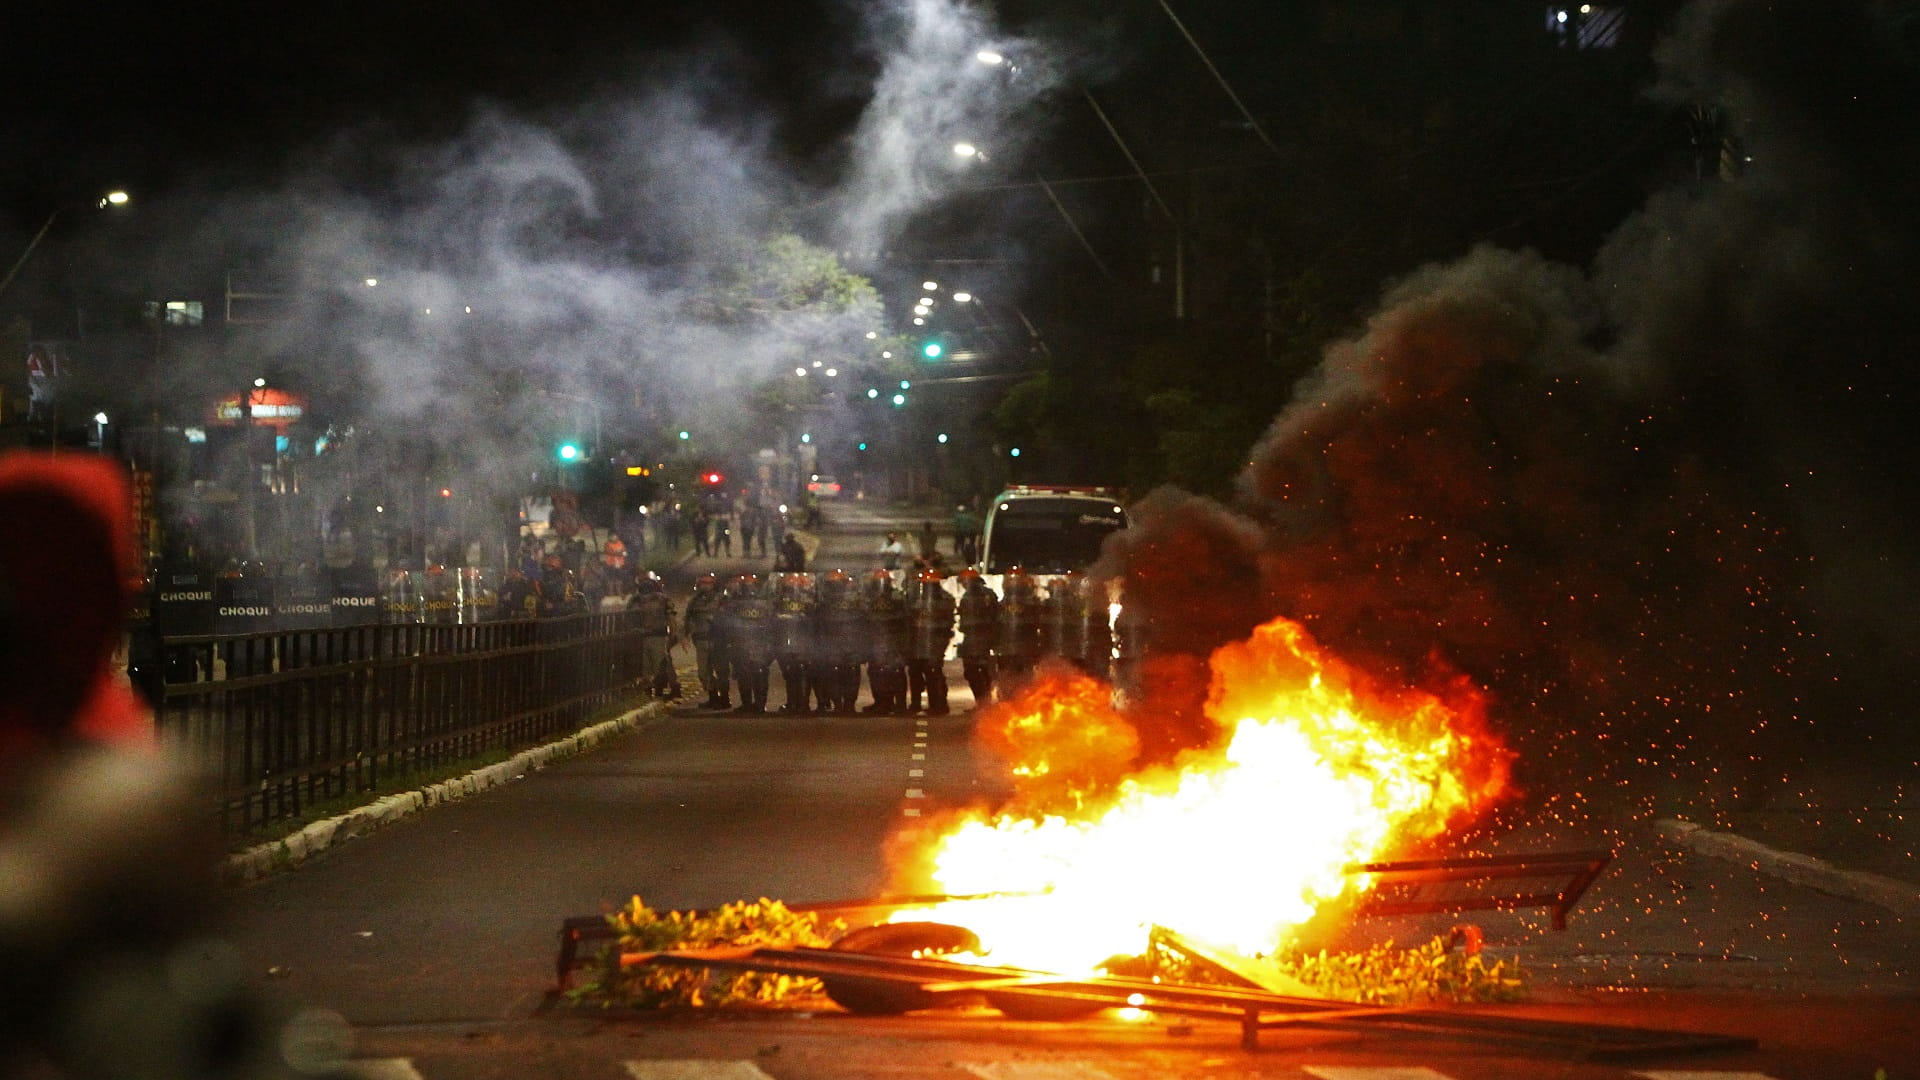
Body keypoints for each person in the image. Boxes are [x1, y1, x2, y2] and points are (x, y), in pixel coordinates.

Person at [905, 569, 955, 715]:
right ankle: (916, 703)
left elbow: (947, 623)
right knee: (915, 671)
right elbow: (909, 619)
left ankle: (938, 704)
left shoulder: (945, 599)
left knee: (933, 672)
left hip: (936, 640)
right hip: (918, 640)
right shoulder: (915, 599)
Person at [863, 570, 908, 715]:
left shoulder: (874, 598)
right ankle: (885, 703)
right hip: (883, 638)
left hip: (889, 638)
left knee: (889, 671)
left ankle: (892, 703)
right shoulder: (895, 596)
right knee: (880, 671)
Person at [771, 572, 815, 713]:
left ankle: (796, 703)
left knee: (793, 671)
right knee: (800, 671)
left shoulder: (781, 600)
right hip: (803, 639)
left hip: (791, 639)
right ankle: (801, 704)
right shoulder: (809, 598)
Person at [955, 569, 999, 708]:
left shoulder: (970, 597)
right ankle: (985, 702)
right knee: (984, 671)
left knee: (972, 671)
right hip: (987, 637)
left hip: (975, 638)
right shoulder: (989, 594)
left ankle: (982, 702)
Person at [629, 572, 676, 697]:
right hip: (640, 637)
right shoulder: (634, 599)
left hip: (658, 636)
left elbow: (671, 616)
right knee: (644, 666)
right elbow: (628, 617)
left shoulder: (662, 599)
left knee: (660, 664)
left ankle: (664, 688)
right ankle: (647, 689)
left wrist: (673, 634)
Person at [683, 573, 727, 708]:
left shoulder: (722, 599)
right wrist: (685, 635)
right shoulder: (694, 601)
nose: (705, 586)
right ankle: (713, 697)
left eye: (708, 583)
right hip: (701, 640)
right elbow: (688, 618)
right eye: (703, 583)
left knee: (721, 671)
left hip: (718, 640)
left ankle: (724, 699)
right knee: (703, 673)